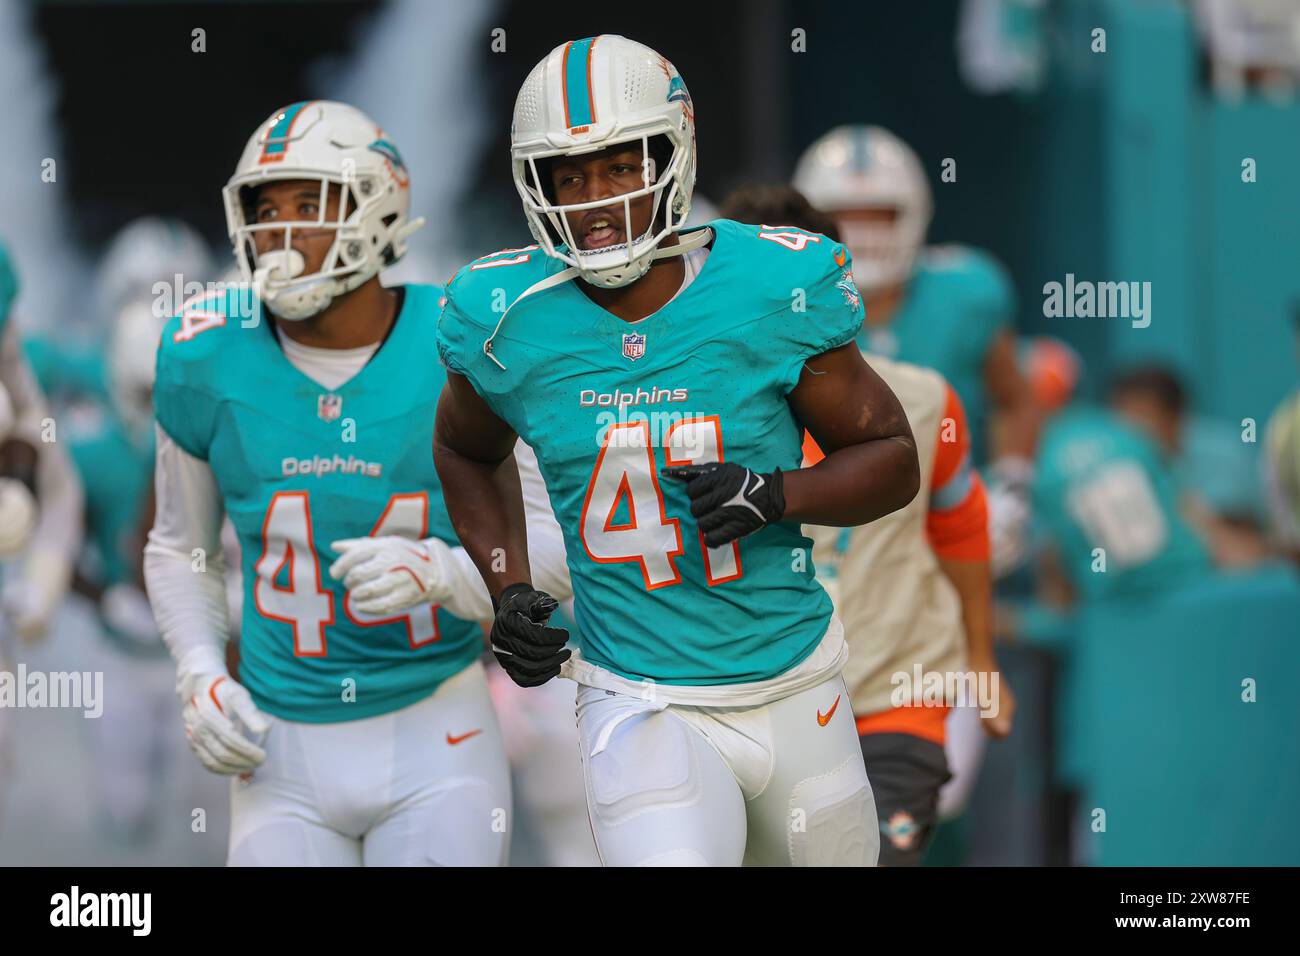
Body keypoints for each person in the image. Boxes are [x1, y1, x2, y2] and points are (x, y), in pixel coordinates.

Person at [436, 36, 920, 866]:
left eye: (622, 165)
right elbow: (464, 451)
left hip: (796, 681)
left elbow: (892, 457)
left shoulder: (770, 288)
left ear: (674, 152)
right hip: (640, 699)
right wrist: (507, 585)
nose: (596, 197)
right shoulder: (506, 316)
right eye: (571, 175)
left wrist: (775, 494)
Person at [143, 101, 568, 866]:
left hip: (437, 731)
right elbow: (179, 548)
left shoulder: (463, 341)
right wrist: (200, 672)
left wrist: (441, 573)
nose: (280, 231)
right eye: (264, 208)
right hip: (278, 746)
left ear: (381, 205)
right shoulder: (203, 353)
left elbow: (554, 550)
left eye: (309, 204)